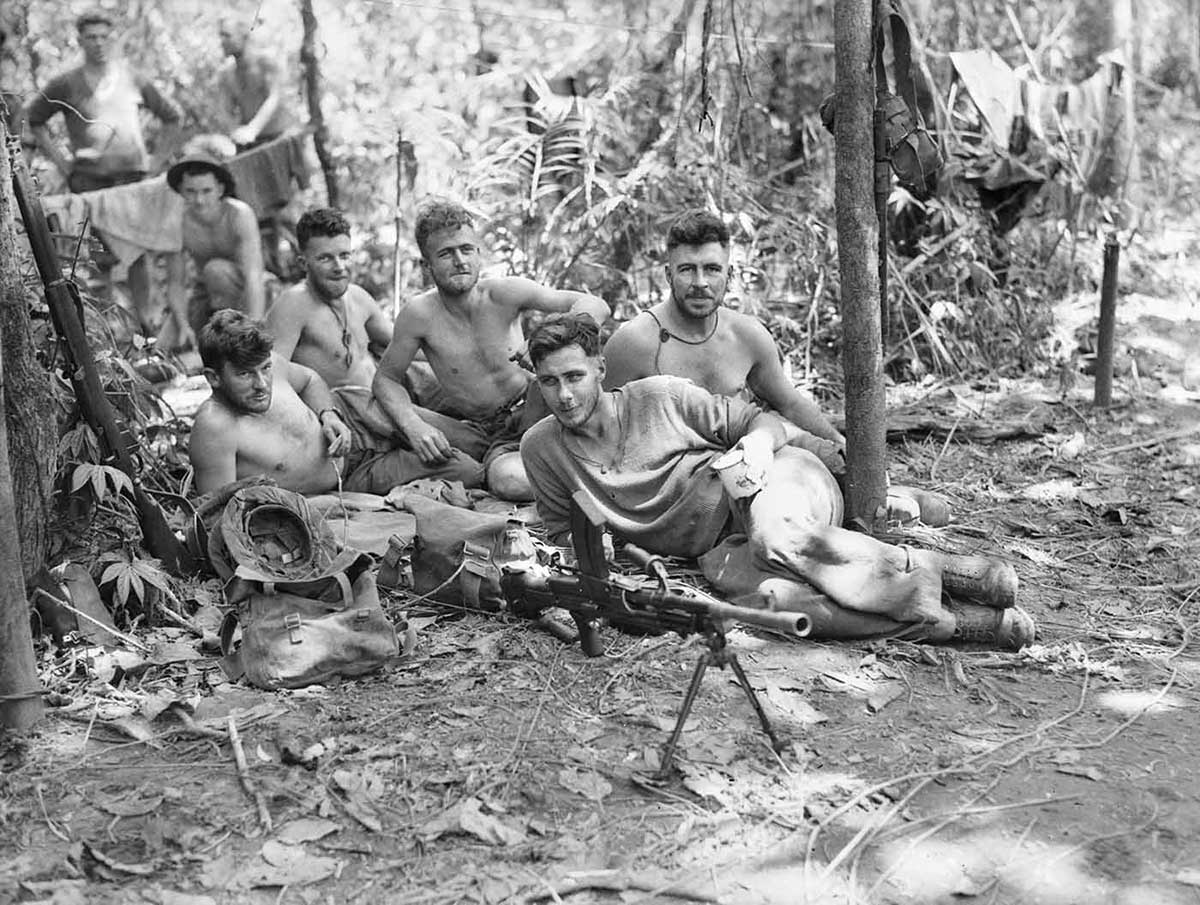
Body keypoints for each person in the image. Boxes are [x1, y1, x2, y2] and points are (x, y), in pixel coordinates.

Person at [519, 313, 1035, 650]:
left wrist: (759, 447)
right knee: (774, 602)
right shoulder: (541, 448)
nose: (564, 395)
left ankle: (955, 574)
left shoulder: (658, 396)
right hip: (713, 549)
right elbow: (564, 533)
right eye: (549, 381)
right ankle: (961, 625)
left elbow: (758, 421)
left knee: (777, 536)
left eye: (574, 377)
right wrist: (600, 552)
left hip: (768, 484)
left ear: (600, 369)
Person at [602, 208, 948, 525]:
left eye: (711, 269)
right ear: (668, 275)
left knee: (885, 494)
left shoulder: (746, 335)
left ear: (730, 274)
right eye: (687, 269)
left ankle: (884, 499)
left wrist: (842, 447)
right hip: (684, 482)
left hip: (756, 453)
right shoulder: (634, 343)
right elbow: (604, 435)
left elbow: (790, 403)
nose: (700, 283)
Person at [372, 199, 611, 501]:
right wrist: (414, 426)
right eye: (446, 253)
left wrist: (547, 336)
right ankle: (573, 484)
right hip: (488, 434)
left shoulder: (503, 293)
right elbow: (385, 380)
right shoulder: (419, 316)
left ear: (478, 254)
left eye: (466, 249)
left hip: (540, 406)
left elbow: (595, 306)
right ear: (426, 265)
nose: (460, 261)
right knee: (508, 481)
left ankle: (587, 474)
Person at [189, 309, 482, 497]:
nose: (261, 384)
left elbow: (311, 380)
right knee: (469, 471)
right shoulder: (214, 428)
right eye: (243, 375)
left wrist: (329, 416)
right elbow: (218, 516)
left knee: (475, 441)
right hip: (352, 477)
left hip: (353, 415)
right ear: (213, 378)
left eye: (264, 369)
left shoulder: (270, 363)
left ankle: (509, 440)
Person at [26, 7, 181, 325]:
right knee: (98, 260)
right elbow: (34, 118)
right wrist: (63, 163)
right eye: (91, 37)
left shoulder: (132, 77)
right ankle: (108, 333)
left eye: (104, 36)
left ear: (113, 39)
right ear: (80, 39)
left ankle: (146, 329)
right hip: (89, 181)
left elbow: (172, 117)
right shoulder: (65, 83)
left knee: (137, 253)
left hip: (132, 180)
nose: (98, 43)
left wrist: (155, 165)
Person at [266, 207, 396, 438]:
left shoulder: (357, 296)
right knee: (460, 442)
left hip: (384, 400)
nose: (339, 267)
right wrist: (322, 416)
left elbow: (404, 345)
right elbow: (271, 377)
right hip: (342, 415)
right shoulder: (293, 306)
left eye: (344, 255)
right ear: (303, 263)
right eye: (325, 258)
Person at [160, 140, 267, 351]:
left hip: (244, 289)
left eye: (206, 191)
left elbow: (254, 276)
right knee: (163, 348)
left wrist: (255, 326)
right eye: (191, 191)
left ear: (220, 189)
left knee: (215, 270)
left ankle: (231, 336)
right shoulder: (176, 222)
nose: (199, 200)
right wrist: (182, 325)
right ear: (181, 190)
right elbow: (175, 283)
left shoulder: (239, 214)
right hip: (205, 293)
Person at [216, 14, 298, 150]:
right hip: (252, 144)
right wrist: (236, 131)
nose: (222, 41)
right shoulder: (226, 74)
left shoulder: (267, 63)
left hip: (281, 138)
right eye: (220, 36)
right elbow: (225, 110)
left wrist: (252, 129)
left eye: (227, 35)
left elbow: (274, 98)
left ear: (244, 36)